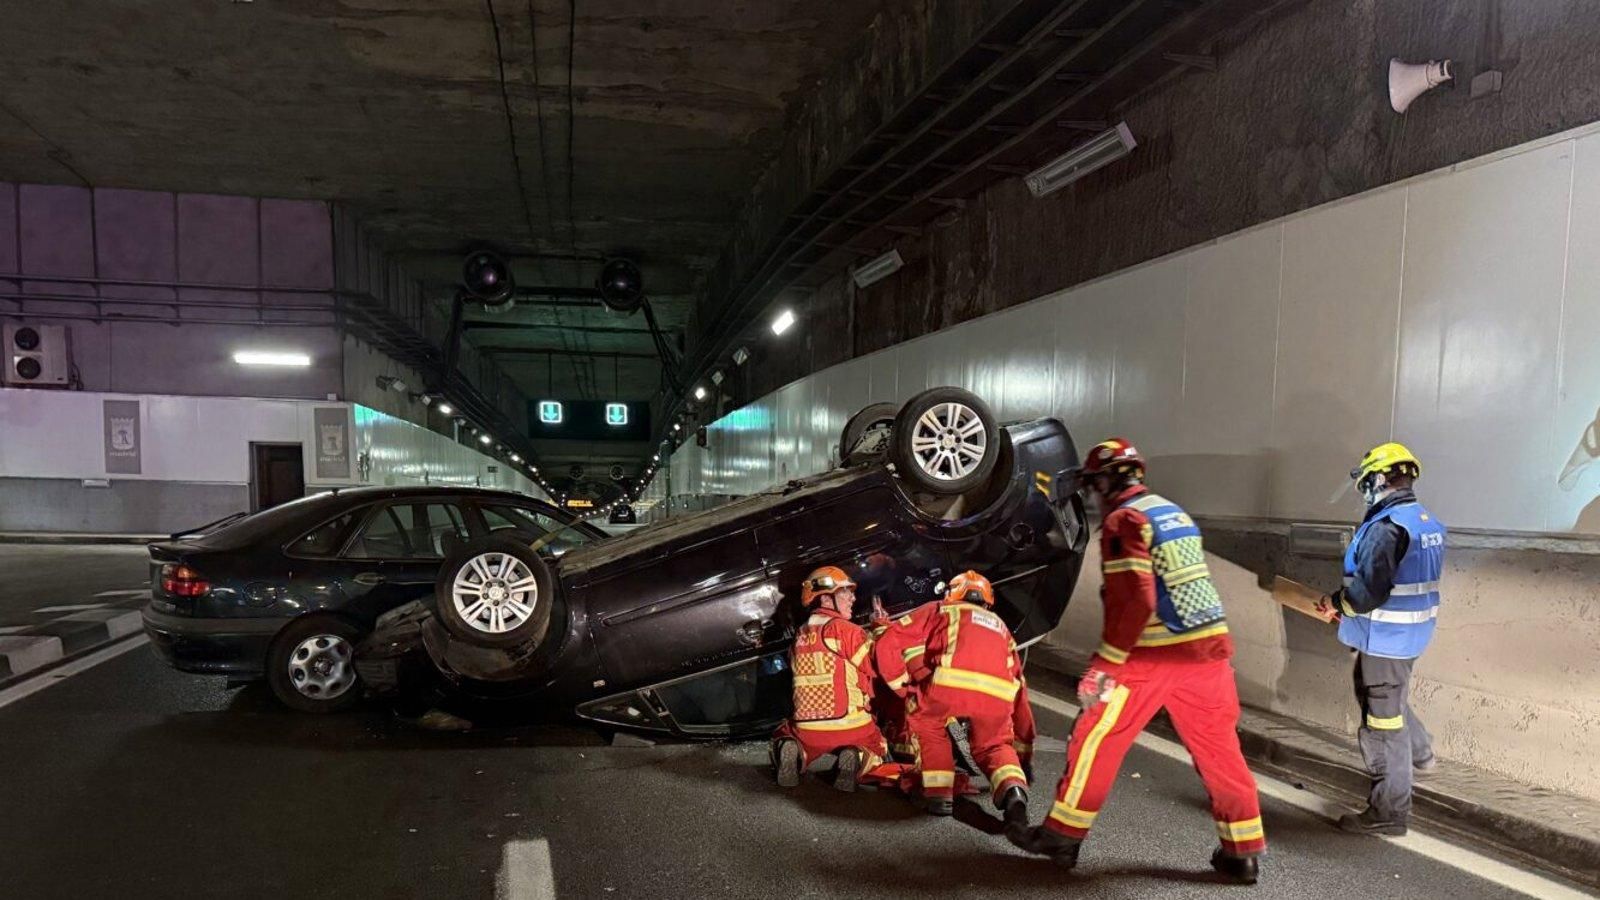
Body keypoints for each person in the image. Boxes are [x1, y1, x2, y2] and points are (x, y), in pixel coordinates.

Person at [1008, 438, 1265, 884]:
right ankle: (1242, 853)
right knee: (1220, 752)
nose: (1095, 496)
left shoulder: (1124, 520)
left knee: (1095, 737)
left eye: (1095, 485)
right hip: (1209, 654)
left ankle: (1062, 836)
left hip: (1152, 654)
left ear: (1107, 481)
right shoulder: (1173, 512)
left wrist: (1105, 665)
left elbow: (1137, 601)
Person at [1320, 442, 1444, 836]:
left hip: (1385, 638)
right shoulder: (1423, 521)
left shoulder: (1385, 528)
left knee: (1383, 722)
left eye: (1366, 484)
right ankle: (1421, 753)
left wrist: (1336, 603)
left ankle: (1389, 812)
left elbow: (1367, 593)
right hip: (1409, 636)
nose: (1365, 493)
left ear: (1378, 479)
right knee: (1388, 695)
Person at [874, 570, 1030, 824]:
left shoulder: (940, 609)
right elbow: (1018, 681)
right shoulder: (1002, 628)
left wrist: (901, 686)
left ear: (951, 594)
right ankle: (1013, 788)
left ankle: (939, 795)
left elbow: (889, 640)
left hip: (950, 684)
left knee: (930, 727)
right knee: (995, 745)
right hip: (998, 694)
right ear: (987, 602)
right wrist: (1024, 735)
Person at [771, 566, 902, 791]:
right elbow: (877, 665)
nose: (853, 598)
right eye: (844, 592)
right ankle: (856, 756)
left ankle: (796, 751)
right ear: (825, 598)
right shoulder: (846, 630)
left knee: (785, 732)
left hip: (808, 729)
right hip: (851, 726)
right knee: (876, 746)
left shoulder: (801, 634)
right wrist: (882, 629)